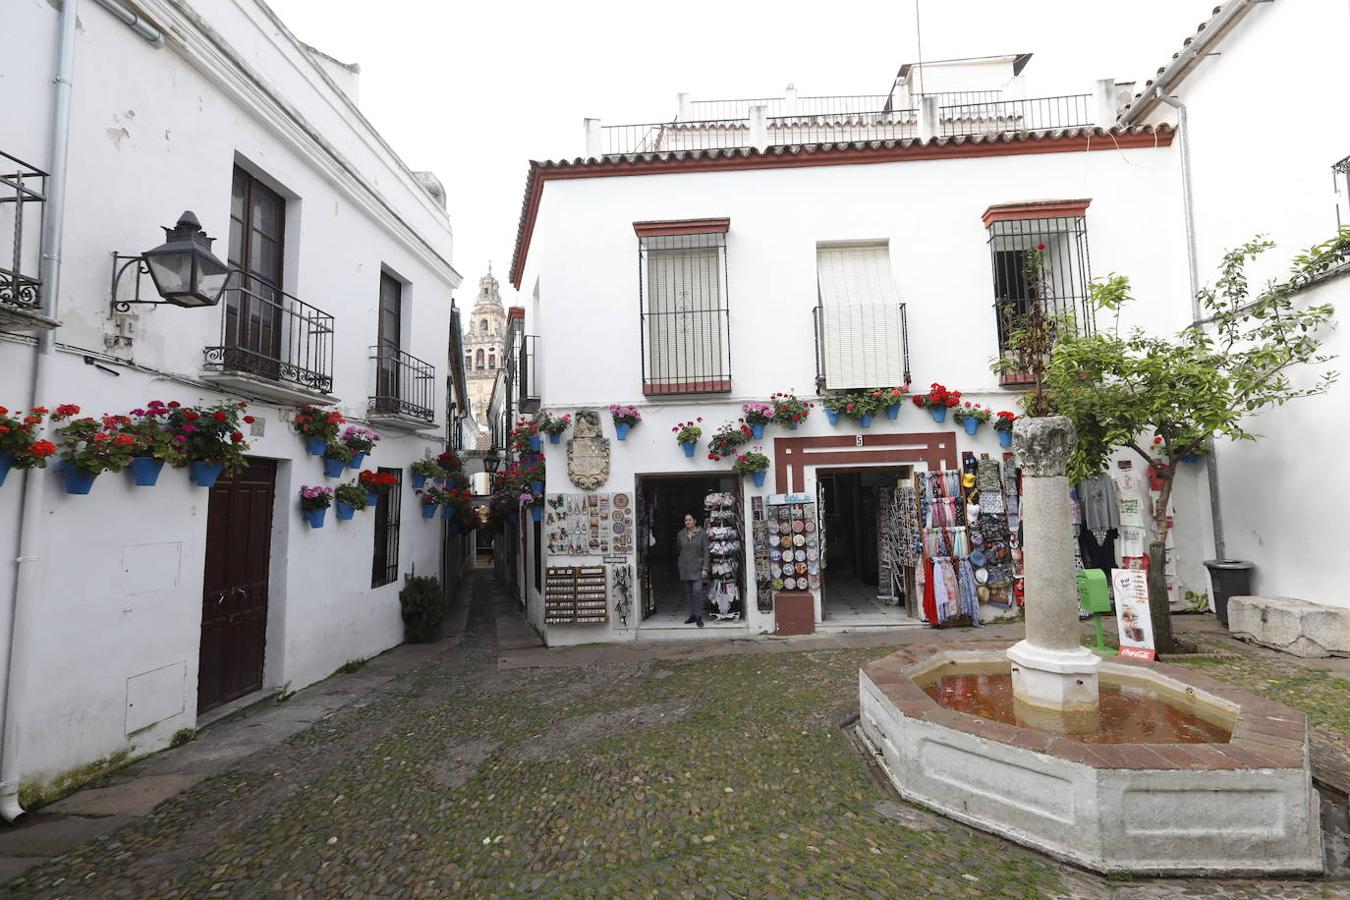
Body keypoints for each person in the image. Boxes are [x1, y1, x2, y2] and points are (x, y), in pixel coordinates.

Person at [676, 512, 709, 627]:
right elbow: (679, 548)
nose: (688, 522)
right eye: (686, 520)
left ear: (695, 521)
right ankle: (693, 614)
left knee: (697, 591)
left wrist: (705, 568)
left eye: (690, 520)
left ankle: (699, 616)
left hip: (698, 568)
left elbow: (706, 552)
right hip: (685, 567)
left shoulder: (702, 534)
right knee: (689, 593)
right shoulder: (681, 534)